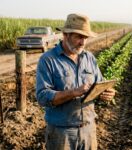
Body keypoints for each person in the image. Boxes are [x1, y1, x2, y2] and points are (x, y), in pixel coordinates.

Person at [36, 13, 115, 150]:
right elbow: (42, 97)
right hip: (61, 134)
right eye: (79, 36)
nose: (83, 42)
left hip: (88, 130)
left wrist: (106, 93)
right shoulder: (48, 60)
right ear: (65, 35)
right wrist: (73, 92)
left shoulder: (89, 58)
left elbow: (99, 84)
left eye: (85, 37)